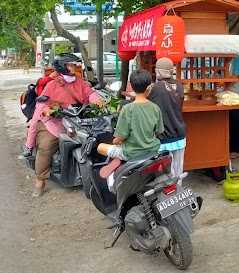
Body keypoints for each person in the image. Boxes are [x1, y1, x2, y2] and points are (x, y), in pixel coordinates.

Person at [24, 53, 105, 197]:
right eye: (71, 65)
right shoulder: (52, 85)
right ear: (63, 66)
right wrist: (47, 110)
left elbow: (90, 93)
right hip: (54, 122)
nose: (75, 67)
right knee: (46, 145)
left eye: (75, 64)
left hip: (76, 120)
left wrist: (96, 100)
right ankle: (40, 180)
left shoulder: (79, 82)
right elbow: (41, 105)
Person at [98, 69, 163, 162]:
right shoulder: (155, 108)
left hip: (131, 153)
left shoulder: (127, 109)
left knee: (100, 147)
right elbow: (158, 132)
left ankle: (113, 174)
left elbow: (121, 137)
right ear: (149, 87)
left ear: (132, 87)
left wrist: (115, 142)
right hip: (152, 150)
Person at [147, 57, 187, 179]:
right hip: (179, 134)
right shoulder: (179, 85)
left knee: (163, 175)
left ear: (158, 71)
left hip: (163, 136)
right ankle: (178, 194)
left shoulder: (155, 88)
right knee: (178, 171)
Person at [228, 52, 239, 155]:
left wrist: (224, 81)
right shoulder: (225, 57)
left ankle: (237, 149)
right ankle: (231, 147)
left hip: (237, 92)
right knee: (231, 120)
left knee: (237, 119)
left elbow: (237, 76)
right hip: (228, 91)